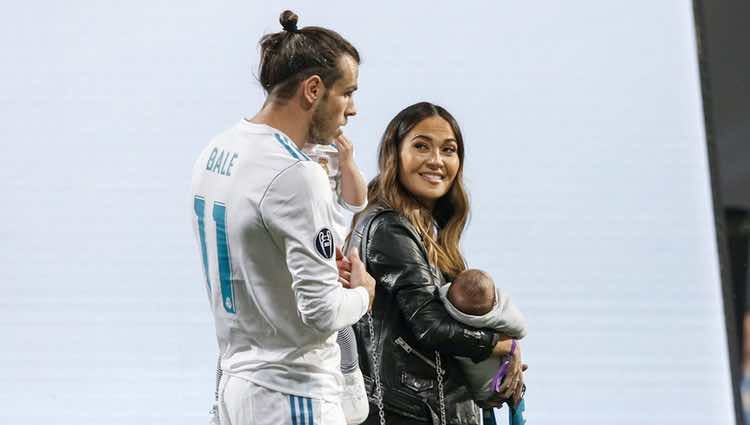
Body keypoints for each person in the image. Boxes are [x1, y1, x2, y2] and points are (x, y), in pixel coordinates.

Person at [190, 10, 376, 425]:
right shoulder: (296, 174)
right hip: (293, 396)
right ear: (313, 90)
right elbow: (323, 313)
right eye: (347, 93)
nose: (353, 109)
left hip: (236, 389)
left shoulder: (215, 151)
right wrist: (364, 294)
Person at [342, 102, 526, 425]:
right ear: (394, 154)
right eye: (421, 146)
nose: (436, 161)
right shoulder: (390, 227)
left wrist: (503, 353)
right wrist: (501, 344)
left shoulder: (426, 227)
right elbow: (430, 325)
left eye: (448, 150)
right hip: (406, 413)